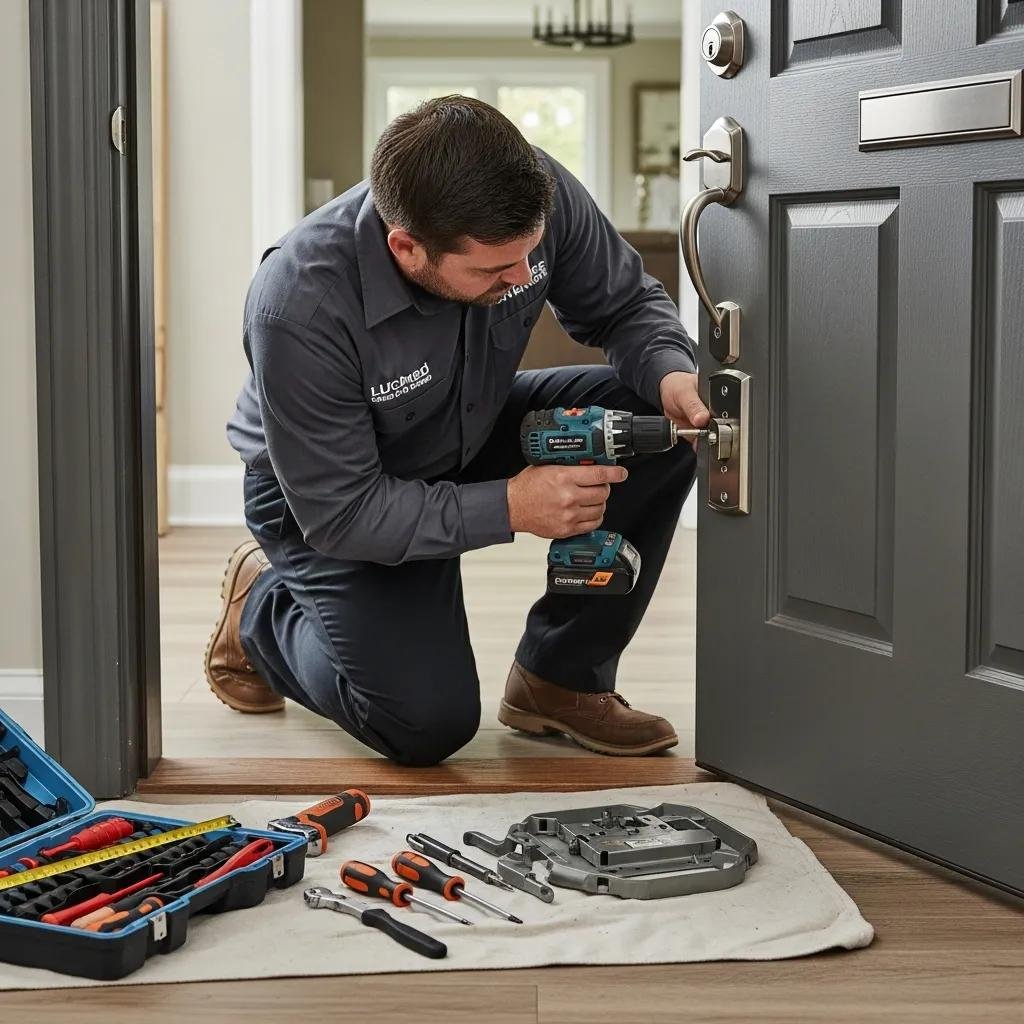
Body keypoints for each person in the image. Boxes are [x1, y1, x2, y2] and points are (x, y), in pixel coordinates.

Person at [206, 96, 707, 766]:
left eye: (529, 257)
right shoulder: (299, 303)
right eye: (494, 271)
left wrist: (672, 375)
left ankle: (559, 678)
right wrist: (512, 506)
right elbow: (345, 512)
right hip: (331, 493)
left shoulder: (534, 194)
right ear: (406, 247)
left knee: (653, 425)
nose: (524, 277)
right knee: (425, 724)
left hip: (471, 423)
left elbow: (624, 305)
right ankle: (260, 613)